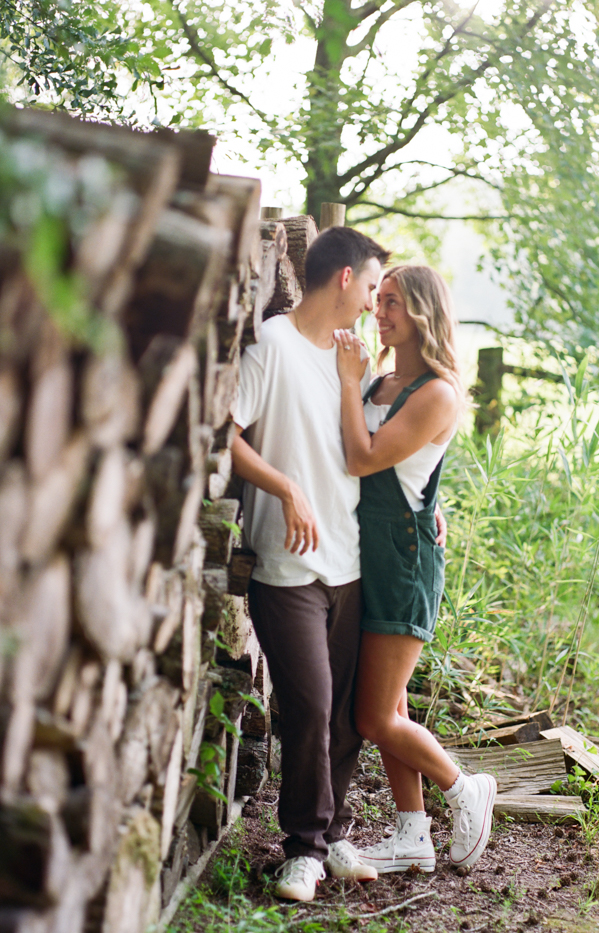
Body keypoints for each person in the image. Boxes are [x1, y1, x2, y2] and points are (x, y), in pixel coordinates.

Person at [229, 226, 391, 903]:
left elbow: (371, 452)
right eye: (375, 287)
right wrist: (286, 486)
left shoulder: (352, 359)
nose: (377, 304)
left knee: (346, 712)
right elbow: (228, 436)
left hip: (346, 559)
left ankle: (331, 833)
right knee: (311, 702)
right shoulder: (273, 345)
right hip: (286, 562)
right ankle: (301, 847)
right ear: (345, 278)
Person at [333, 265, 496, 875]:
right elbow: (411, 470)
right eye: (379, 301)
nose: (381, 311)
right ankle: (411, 836)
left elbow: (363, 456)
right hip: (366, 555)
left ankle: (463, 788)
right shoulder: (384, 380)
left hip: (402, 563)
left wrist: (348, 382)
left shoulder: (436, 391)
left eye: (394, 302)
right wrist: (360, 382)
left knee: (372, 717)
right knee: (391, 708)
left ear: (424, 311)